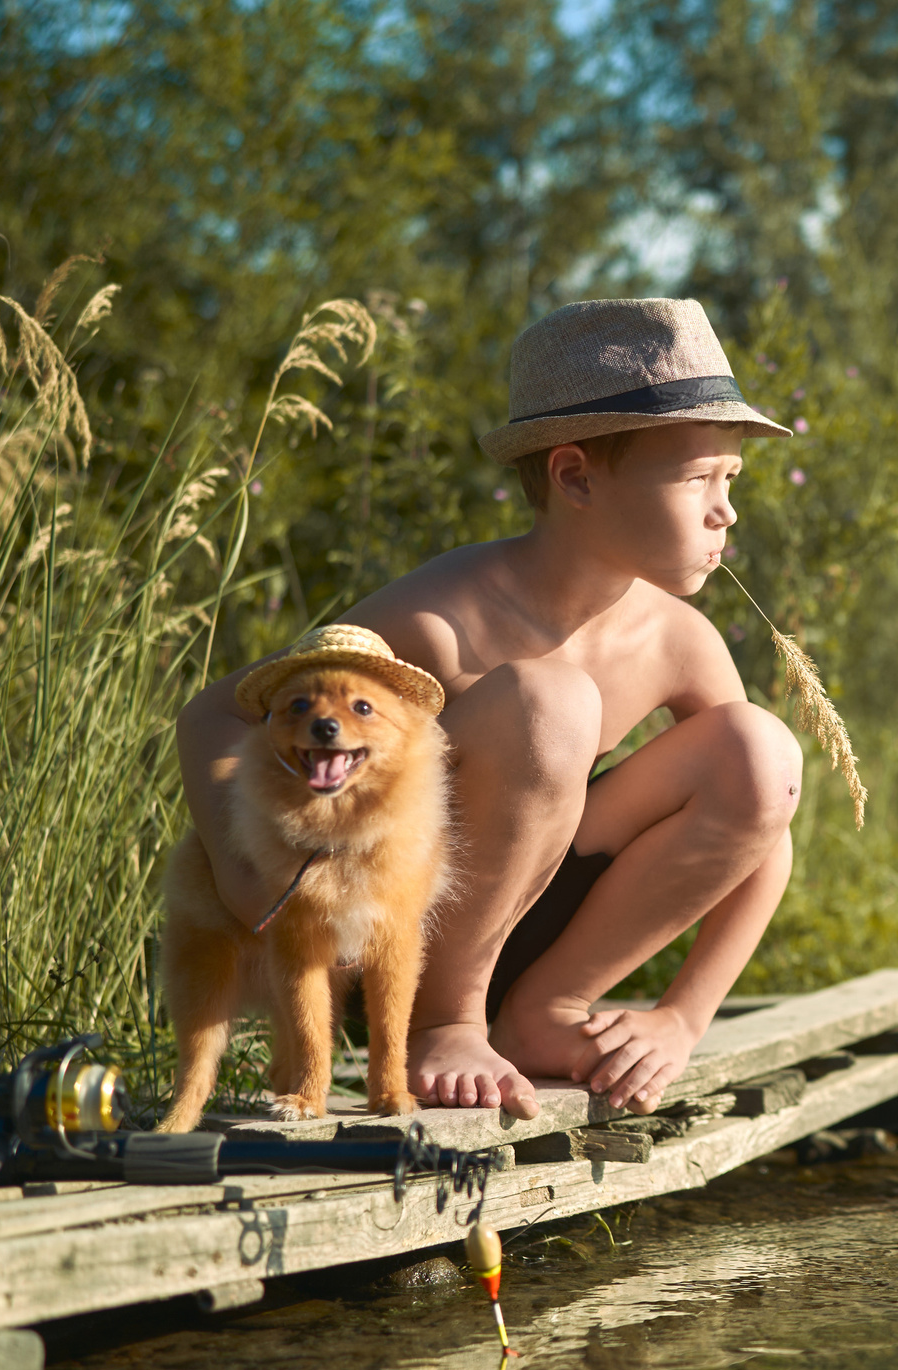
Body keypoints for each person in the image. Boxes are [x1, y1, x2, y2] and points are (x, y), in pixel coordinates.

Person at [176, 298, 801, 1119]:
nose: (726, 511)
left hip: (547, 925)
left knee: (761, 752)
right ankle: (446, 1024)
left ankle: (544, 1010)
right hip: (398, 945)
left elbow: (764, 827)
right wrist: (250, 875)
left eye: (730, 480)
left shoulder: (680, 640)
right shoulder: (444, 613)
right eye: (697, 480)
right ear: (574, 476)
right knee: (549, 701)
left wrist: (684, 1016)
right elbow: (217, 715)